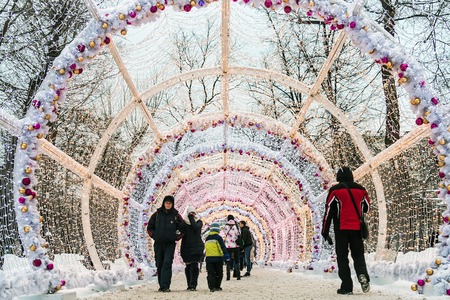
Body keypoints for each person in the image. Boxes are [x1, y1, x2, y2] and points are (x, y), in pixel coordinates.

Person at [322, 166, 371, 295]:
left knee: (342, 257)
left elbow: (328, 213)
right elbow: (366, 208)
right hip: (356, 229)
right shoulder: (361, 189)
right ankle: (362, 274)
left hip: (341, 229)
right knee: (358, 255)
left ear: (338, 177)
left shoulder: (335, 190)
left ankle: (347, 286)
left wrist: (325, 232)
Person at [147, 195, 185, 292]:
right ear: (164, 203)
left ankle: (165, 285)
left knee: (167, 263)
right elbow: (149, 227)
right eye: (166, 203)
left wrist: (175, 237)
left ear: (172, 204)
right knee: (159, 263)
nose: (168, 205)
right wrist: (154, 235)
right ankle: (161, 284)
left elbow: (183, 228)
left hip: (170, 244)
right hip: (158, 243)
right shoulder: (157, 214)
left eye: (170, 203)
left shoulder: (176, 215)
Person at [180, 204, 204, 291]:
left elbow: (195, 227)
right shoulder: (184, 223)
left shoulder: (199, 222)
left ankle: (193, 284)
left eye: (193, 213)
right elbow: (180, 231)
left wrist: (190, 218)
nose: (192, 214)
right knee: (188, 266)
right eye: (190, 213)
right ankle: (189, 284)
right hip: (186, 247)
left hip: (196, 247)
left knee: (194, 265)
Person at [205, 222, 229, 292]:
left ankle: (211, 287)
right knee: (219, 273)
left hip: (209, 258)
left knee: (210, 273)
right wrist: (226, 255)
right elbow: (222, 247)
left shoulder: (207, 238)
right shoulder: (218, 238)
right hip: (218, 258)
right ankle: (217, 286)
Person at [223, 214, 241, 280]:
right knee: (237, 260)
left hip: (228, 245)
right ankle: (238, 276)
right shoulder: (236, 226)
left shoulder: (226, 226)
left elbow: (225, 233)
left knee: (228, 261)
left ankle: (228, 276)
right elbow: (238, 234)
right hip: (236, 245)